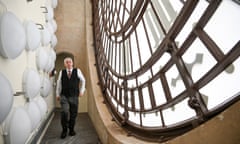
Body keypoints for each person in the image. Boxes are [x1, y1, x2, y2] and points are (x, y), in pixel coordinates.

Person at [56, 57, 86, 139]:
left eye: (70, 62)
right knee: (64, 112)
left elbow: (83, 80)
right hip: (64, 96)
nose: (69, 63)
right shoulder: (62, 72)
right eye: (67, 62)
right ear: (65, 64)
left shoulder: (77, 71)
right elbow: (59, 84)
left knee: (73, 114)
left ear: (72, 63)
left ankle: (71, 129)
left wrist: (82, 91)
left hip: (74, 96)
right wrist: (57, 94)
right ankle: (64, 130)